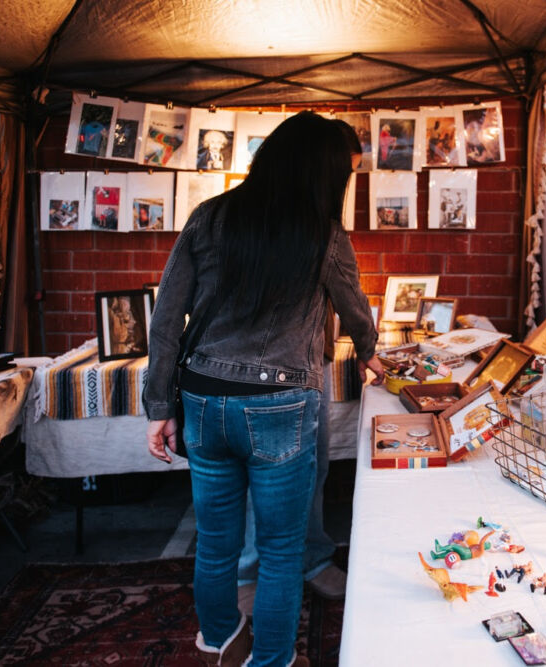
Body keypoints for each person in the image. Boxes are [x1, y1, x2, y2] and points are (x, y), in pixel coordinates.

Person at [144, 111, 384, 667]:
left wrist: (159, 406)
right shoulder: (322, 233)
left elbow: (166, 318)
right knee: (280, 550)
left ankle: (219, 641)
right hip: (280, 403)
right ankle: (272, 661)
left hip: (203, 401)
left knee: (216, 541)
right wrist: (370, 353)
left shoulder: (208, 217)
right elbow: (354, 309)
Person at [236, 119, 365, 610]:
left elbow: (346, 299)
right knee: (262, 485)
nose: (345, 185)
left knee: (315, 471)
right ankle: (253, 574)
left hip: (307, 373)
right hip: (261, 379)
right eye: (344, 174)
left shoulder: (322, 228)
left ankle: (310, 559)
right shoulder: (252, 221)